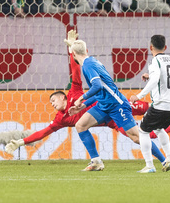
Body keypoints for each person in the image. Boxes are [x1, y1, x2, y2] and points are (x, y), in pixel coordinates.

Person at [4, 30, 170, 163]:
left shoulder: (75, 91)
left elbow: (76, 67)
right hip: (107, 115)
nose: (52, 104)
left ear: (63, 97)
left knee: (144, 129)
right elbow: (42, 133)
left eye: (53, 100)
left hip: (114, 103)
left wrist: (72, 49)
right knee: (85, 126)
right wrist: (20, 142)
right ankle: (96, 161)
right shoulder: (61, 118)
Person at [67, 38, 162, 171]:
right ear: (86, 51)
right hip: (104, 105)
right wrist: (83, 106)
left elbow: (97, 86)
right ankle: (96, 162)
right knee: (81, 125)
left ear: (73, 55)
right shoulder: (93, 61)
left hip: (116, 105)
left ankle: (165, 161)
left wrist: (81, 98)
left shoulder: (88, 65)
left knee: (136, 137)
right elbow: (101, 90)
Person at [130, 35, 170, 173]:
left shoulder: (155, 61)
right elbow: (162, 76)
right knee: (158, 129)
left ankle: (150, 166)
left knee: (143, 131)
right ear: (165, 47)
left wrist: (138, 96)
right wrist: (150, 76)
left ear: (151, 47)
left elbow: (155, 80)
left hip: (162, 104)